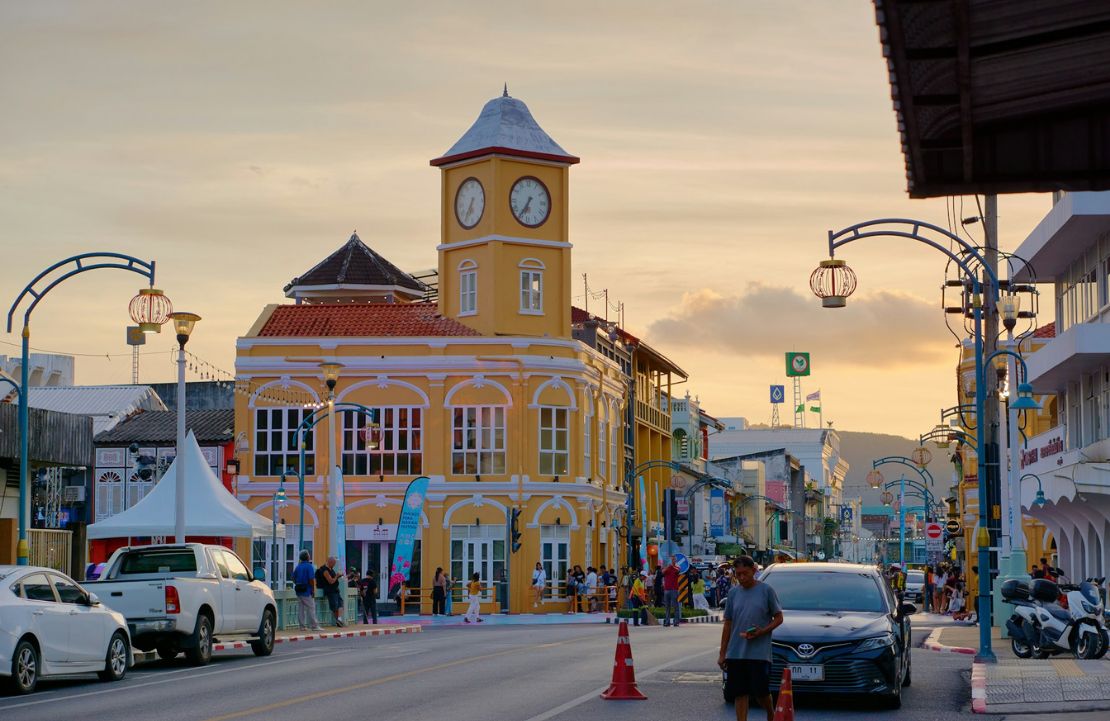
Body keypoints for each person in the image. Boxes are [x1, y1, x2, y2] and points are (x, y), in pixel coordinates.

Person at [718, 556, 783, 721]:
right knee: (740, 693)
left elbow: (778, 618)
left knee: (760, 692)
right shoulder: (733, 593)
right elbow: (728, 624)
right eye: (737, 574)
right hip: (736, 652)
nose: (741, 578)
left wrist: (763, 631)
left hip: (759, 653)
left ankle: (770, 712)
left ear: (754, 571)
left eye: (744, 573)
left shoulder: (766, 591)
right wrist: (722, 653)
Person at [292, 550, 323, 631]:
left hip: (298, 590)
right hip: (306, 590)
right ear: (307, 557)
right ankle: (314, 625)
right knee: (311, 607)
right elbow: (311, 579)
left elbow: (293, 578)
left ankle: (302, 626)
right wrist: (313, 590)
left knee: (301, 609)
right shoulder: (309, 566)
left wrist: (298, 583)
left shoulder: (298, 566)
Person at [316, 556, 345, 627]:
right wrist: (337, 576)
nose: (334, 565)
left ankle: (339, 619)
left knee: (340, 604)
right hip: (330, 591)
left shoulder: (331, 569)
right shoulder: (324, 570)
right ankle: (338, 620)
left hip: (335, 590)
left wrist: (338, 576)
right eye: (334, 563)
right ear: (330, 562)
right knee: (334, 607)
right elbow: (331, 581)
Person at [662, 557, 681, 627]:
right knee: (667, 607)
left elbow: (678, 571)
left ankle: (676, 622)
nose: (672, 560)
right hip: (666, 589)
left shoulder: (677, 567)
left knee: (675, 606)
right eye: (671, 559)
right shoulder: (667, 567)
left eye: (674, 559)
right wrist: (668, 566)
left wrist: (672, 566)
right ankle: (667, 622)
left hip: (674, 589)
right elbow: (663, 572)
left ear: (675, 560)